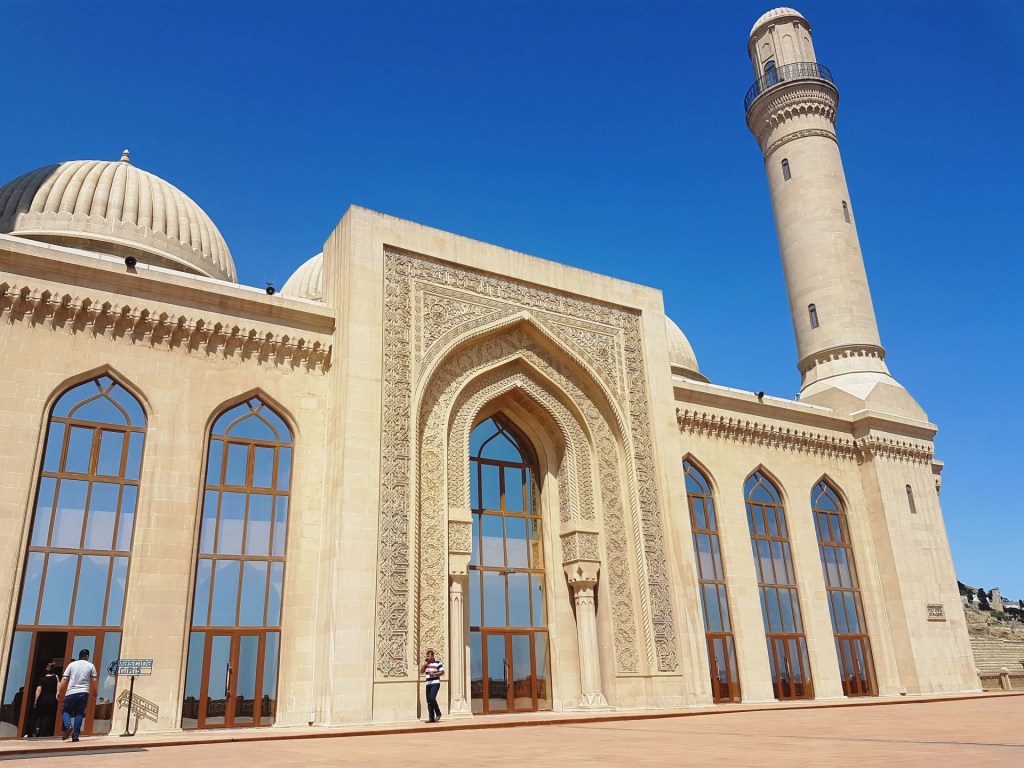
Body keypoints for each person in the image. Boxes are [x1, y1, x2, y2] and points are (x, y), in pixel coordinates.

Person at [58, 649, 97, 742]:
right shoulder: (91, 665)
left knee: (65, 711)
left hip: (71, 692)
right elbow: (94, 680)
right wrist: (95, 691)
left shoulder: (71, 665)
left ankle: (68, 726)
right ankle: (75, 736)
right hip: (84, 692)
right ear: (87, 656)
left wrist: (59, 690)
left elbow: (64, 678)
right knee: (79, 714)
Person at [33, 663, 60, 738]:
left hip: (42, 699)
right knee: (47, 717)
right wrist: (58, 697)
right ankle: (43, 733)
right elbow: (59, 688)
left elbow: (38, 691)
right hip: (51, 700)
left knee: (39, 715)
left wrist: (35, 701)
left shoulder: (41, 679)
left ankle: (36, 728)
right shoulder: (55, 678)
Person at [419, 649, 444, 723]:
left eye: (428, 656)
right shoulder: (427, 664)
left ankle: (438, 713)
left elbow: (442, 672)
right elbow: (421, 671)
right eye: (427, 656)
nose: (427, 657)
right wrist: (425, 664)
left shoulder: (438, 663)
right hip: (428, 684)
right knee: (429, 701)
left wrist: (434, 674)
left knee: (432, 698)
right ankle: (431, 717)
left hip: (435, 683)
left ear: (432, 656)